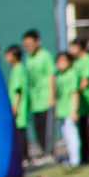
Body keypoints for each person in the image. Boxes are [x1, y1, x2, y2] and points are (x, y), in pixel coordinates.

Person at [20, 30, 56, 164]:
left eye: (30, 44)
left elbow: (52, 76)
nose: (28, 47)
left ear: (37, 42)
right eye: (25, 45)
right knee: (38, 128)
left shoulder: (45, 56)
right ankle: (43, 152)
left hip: (45, 99)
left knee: (46, 129)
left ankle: (49, 153)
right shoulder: (28, 58)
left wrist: (52, 96)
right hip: (34, 101)